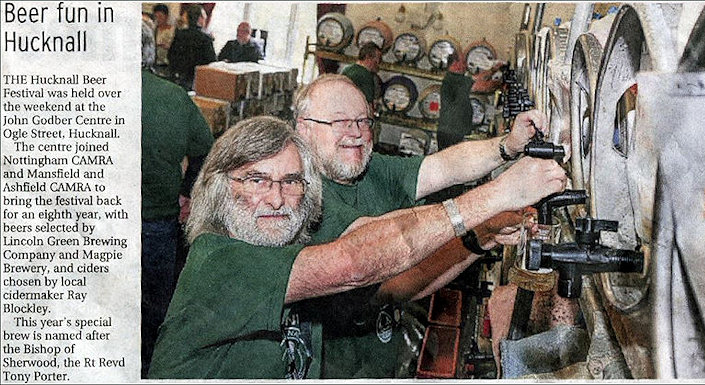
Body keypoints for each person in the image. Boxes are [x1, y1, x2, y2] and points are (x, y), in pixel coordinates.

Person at [147, 115, 565, 379]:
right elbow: (355, 262)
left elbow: (394, 283)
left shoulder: (287, 249)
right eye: (256, 180)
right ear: (218, 188)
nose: (276, 199)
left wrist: (480, 235)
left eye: (291, 182)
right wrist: (497, 195)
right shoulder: (219, 260)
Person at [292, 74, 562, 378]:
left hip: (378, 363)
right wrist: (496, 198)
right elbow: (388, 273)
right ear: (304, 128)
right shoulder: (298, 195)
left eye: (363, 121)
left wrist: (507, 145)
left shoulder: (366, 169)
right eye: (340, 122)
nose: (355, 133)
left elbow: (443, 167)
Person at [140, 21, 214, 378]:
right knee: (155, 306)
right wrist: (186, 192)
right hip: (157, 221)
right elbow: (204, 152)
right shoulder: (172, 97)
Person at [438, 52, 504, 150]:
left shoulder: (455, 78)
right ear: (456, 64)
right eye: (464, 62)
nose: (466, 65)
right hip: (451, 132)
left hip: (451, 131)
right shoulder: (455, 80)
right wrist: (501, 83)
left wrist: (494, 69)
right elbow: (483, 87)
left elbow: (478, 78)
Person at [168, 4, 216, 90]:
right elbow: (212, 61)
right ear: (200, 18)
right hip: (197, 80)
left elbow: (170, 55)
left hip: (178, 78)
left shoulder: (179, 34)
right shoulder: (206, 38)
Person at [340, 42, 382, 108]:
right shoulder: (366, 75)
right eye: (377, 60)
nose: (378, 64)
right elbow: (368, 105)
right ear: (368, 57)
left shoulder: (347, 69)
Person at [153, 4, 175, 75]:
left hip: (167, 64)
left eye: (160, 16)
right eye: (156, 17)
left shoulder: (173, 30)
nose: (158, 19)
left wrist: (167, 46)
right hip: (156, 63)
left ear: (166, 16)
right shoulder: (154, 30)